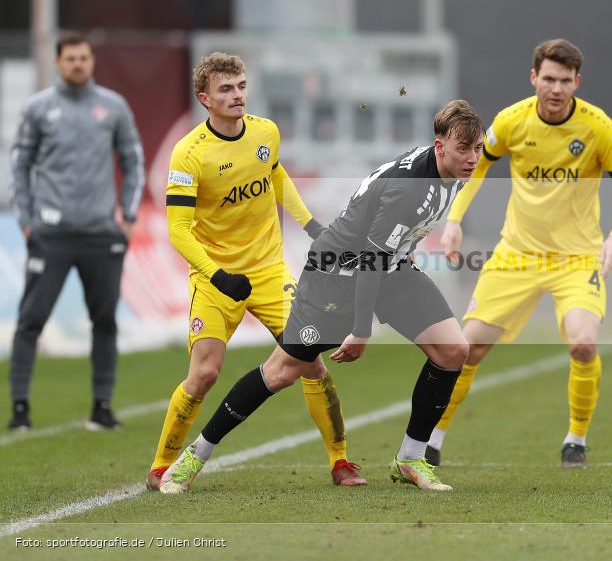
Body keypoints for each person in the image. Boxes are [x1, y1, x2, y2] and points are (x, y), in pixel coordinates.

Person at [157, 99, 482, 494]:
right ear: (439, 146)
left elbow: (386, 242)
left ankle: (411, 459)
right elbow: (369, 259)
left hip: (388, 268)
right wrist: (361, 329)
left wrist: (409, 245)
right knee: (283, 371)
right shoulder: (408, 188)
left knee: (453, 350)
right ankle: (195, 455)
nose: (472, 158)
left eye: (478, 148)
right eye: (463, 149)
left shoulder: (450, 172)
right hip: (338, 274)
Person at [145, 52, 366, 490]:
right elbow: (179, 230)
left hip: (267, 271)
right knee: (205, 373)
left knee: (310, 362)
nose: (238, 95)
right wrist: (216, 274)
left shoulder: (266, 132)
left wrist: (311, 225)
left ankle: (340, 462)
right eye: (226, 89)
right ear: (205, 98)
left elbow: (276, 174)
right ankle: (161, 466)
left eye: (242, 86)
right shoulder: (189, 154)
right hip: (216, 278)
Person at [426, 39, 612, 469]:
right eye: (548, 78)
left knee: (583, 343)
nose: (556, 88)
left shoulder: (598, 127)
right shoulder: (511, 121)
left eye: (565, 80)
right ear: (534, 78)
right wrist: (454, 219)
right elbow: (479, 164)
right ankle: (431, 439)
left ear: (577, 82)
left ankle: (575, 440)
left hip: (577, 259)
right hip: (517, 255)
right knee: (466, 349)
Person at [7, 32, 144, 431]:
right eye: (70, 58)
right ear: (57, 62)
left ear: (92, 61)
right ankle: (20, 410)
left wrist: (130, 215)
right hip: (50, 235)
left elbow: (134, 159)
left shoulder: (113, 107)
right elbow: (19, 163)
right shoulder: (38, 108)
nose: (78, 64)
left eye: (84, 57)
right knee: (31, 320)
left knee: (105, 322)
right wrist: (26, 219)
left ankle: (102, 407)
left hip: (102, 234)